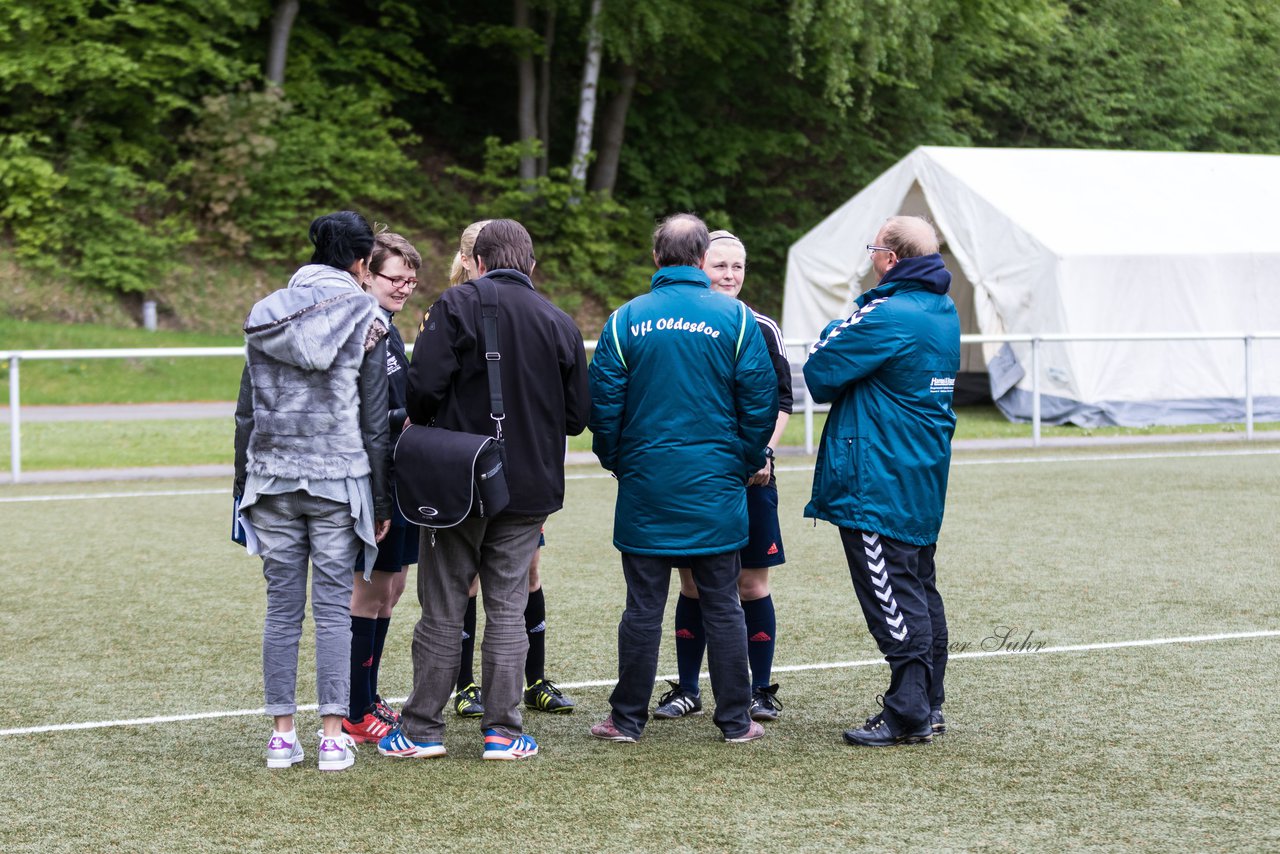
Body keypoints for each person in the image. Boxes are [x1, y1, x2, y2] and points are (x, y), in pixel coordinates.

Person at [378, 219, 589, 761]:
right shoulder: (560, 321)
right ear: (530, 265)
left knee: (443, 607)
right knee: (508, 607)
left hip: (457, 480)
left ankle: (422, 729)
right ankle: (503, 730)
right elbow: (576, 417)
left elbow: (421, 390)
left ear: (476, 261)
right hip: (530, 486)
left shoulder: (454, 305)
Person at [588, 213, 778, 745]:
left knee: (642, 608)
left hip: (647, 486)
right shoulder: (737, 319)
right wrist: (738, 462)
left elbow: (603, 410)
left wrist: (622, 462)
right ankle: (736, 722)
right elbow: (760, 405)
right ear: (701, 260)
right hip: (716, 489)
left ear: (656, 259)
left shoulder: (625, 319)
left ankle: (626, 721)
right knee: (723, 604)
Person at [233, 210, 392, 772]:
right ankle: (330, 736)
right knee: (332, 609)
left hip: (270, 476)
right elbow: (375, 420)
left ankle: (281, 735)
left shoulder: (265, 311)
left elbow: (246, 411)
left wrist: (239, 488)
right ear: (360, 261)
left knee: (281, 610)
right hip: (338, 478)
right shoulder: (367, 314)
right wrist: (382, 497)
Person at [802, 215, 960, 748]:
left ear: (890, 259)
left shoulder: (887, 312)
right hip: (918, 473)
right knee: (918, 585)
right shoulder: (942, 307)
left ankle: (908, 709)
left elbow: (821, 369)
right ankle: (929, 703)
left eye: (874, 249)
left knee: (889, 592)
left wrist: (857, 313)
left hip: (878, 479)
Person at [657, 230, 794, 724]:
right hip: (697, 477)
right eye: (720, 266)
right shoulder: (674, 321)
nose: (730, 276)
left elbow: (782, 400)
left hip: (752, 474)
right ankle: (687, 688)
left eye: (738, 267)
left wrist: (764, 453)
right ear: (699, 265)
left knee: (751, 583)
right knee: (693, 583)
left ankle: (760, 690)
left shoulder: (760, 325)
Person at [444, 221, 576, 720]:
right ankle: (465, 685)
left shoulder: (532, 313)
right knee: (471, 582)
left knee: (528, 574)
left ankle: (535, 678)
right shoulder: (451, 310)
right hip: (468, 473)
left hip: (519, 474)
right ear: (470, 260)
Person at [340, 231, 422, 744]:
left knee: (392, 588)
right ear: (366, 273)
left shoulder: (389, 329)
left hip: (400, 474)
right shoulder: (359, 327)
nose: (404, 288)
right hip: (375, 479)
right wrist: (407, 417)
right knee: (367, 591)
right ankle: (353, 708)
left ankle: (367, 696)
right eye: (395, 278)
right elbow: (355, 412)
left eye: (411, 280)